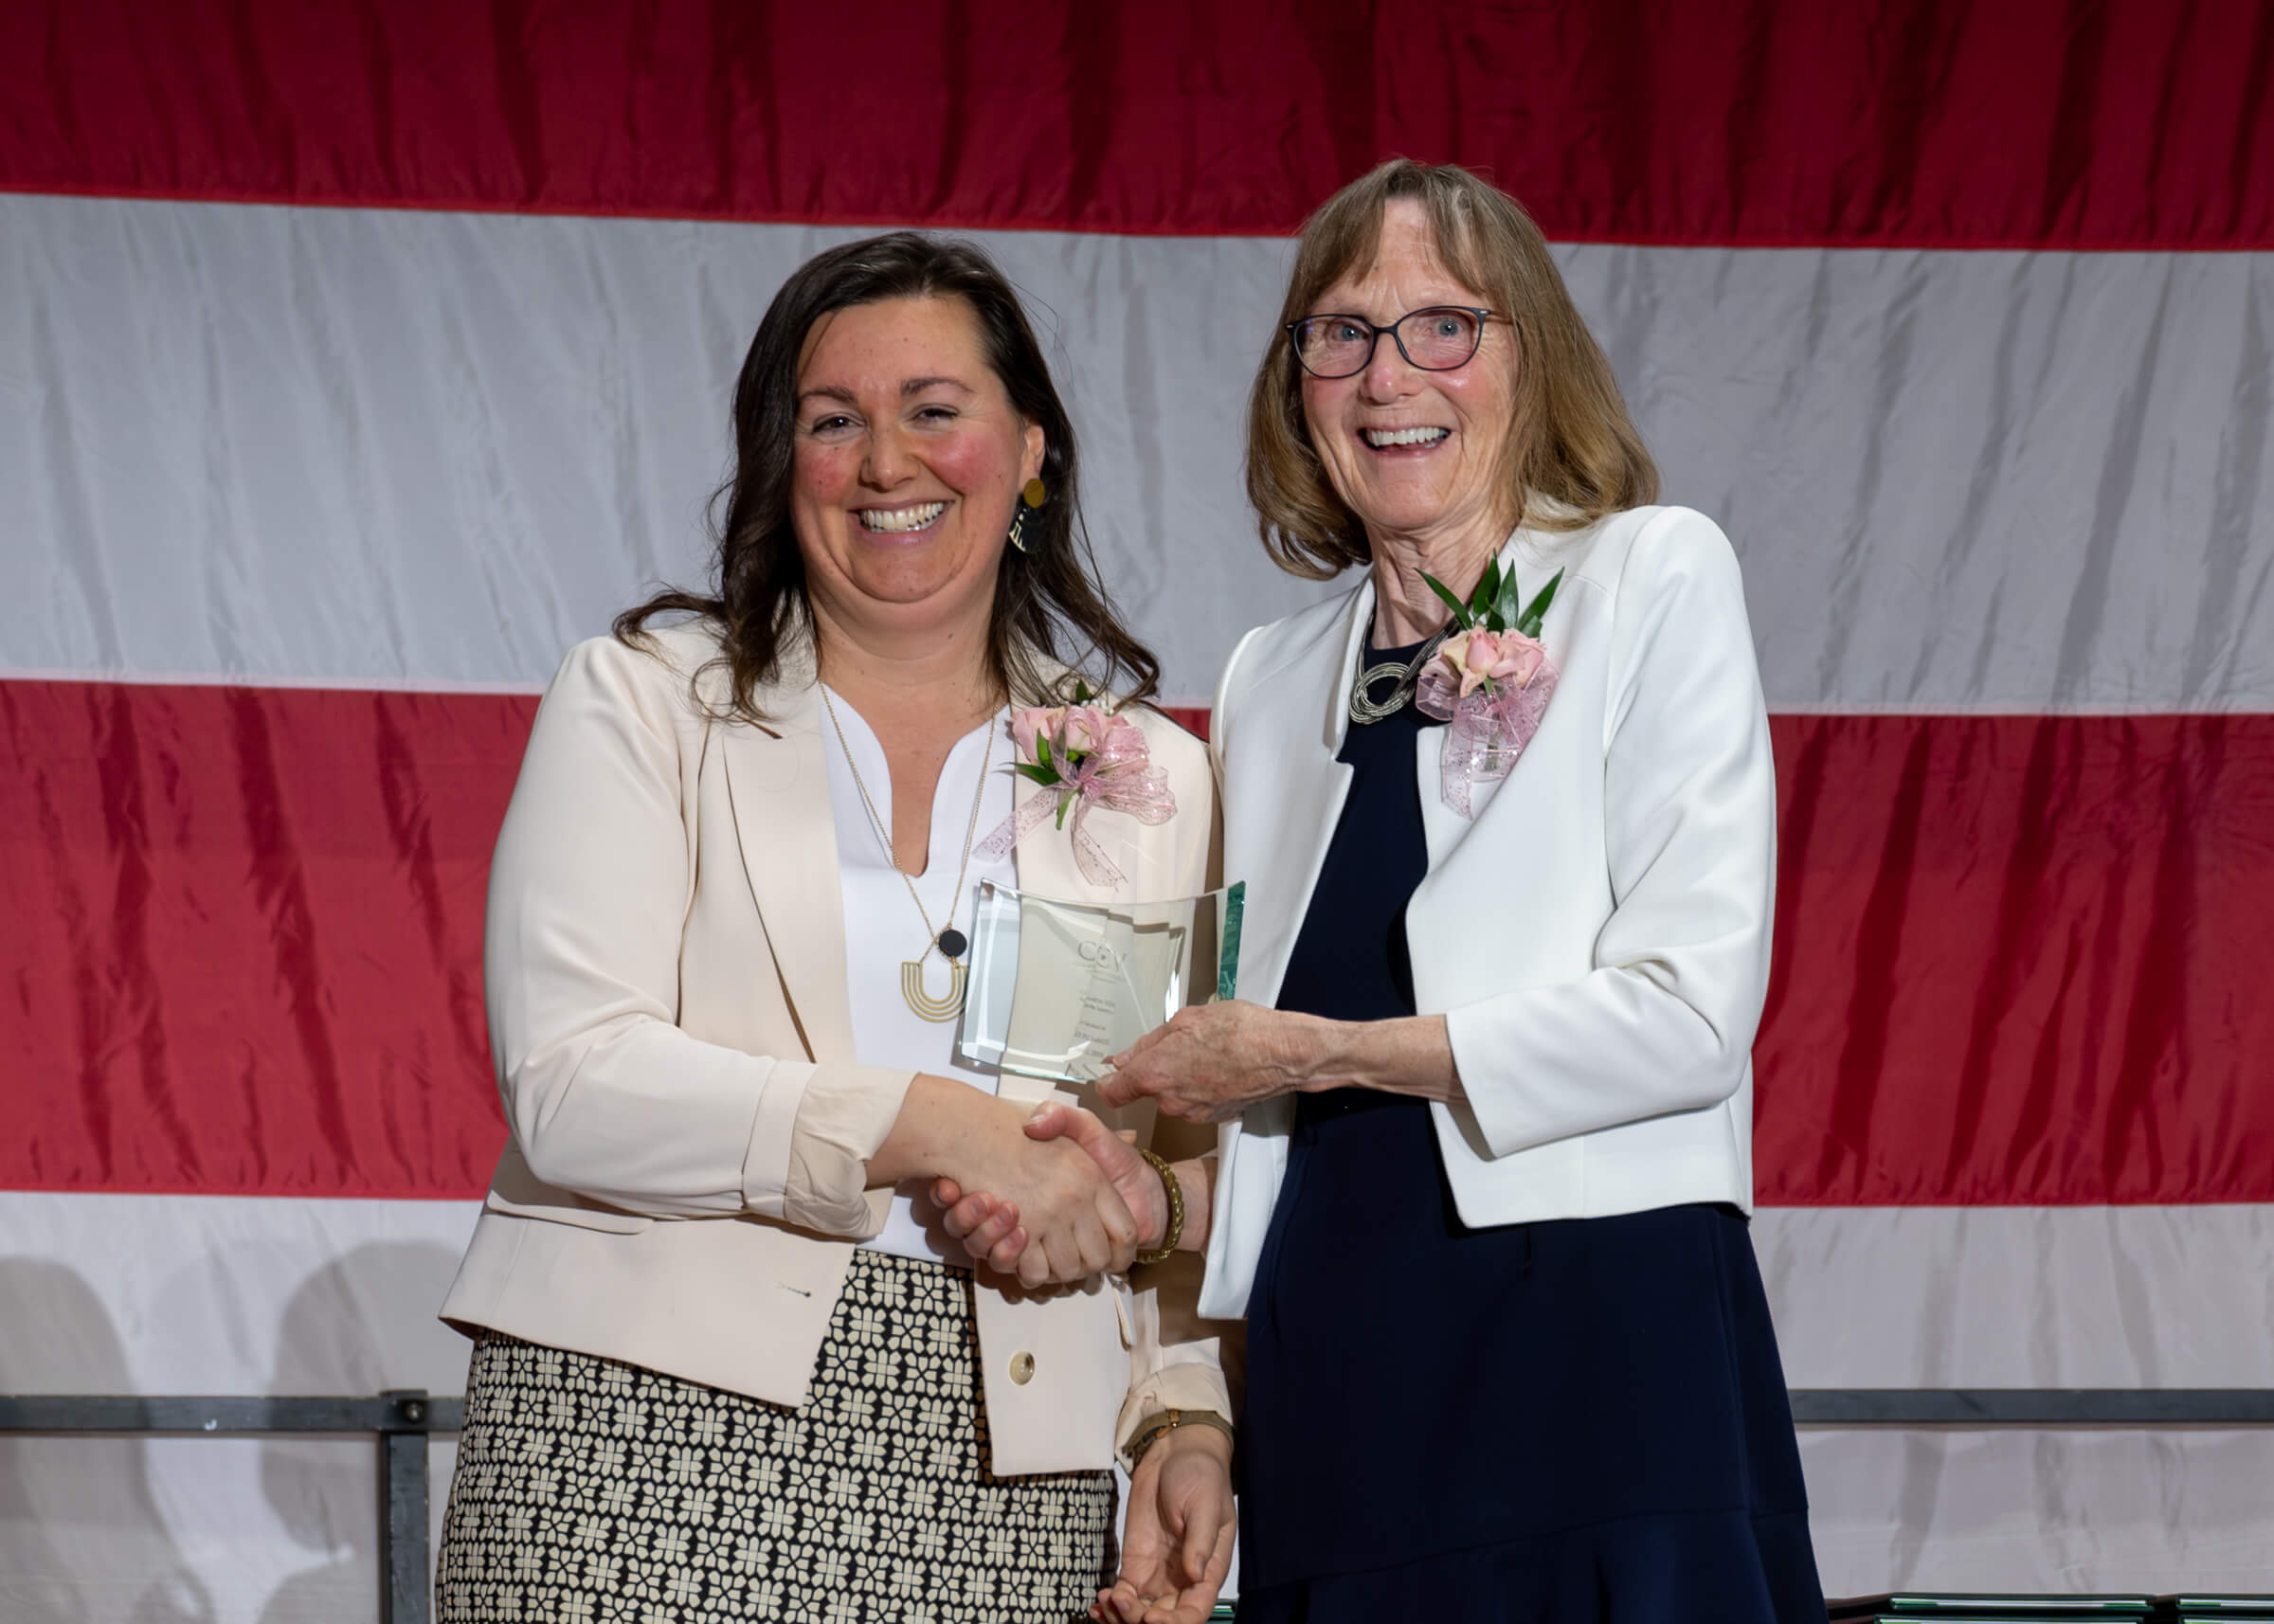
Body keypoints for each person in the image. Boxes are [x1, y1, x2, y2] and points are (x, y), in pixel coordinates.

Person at [949, 158, 1826, 1620]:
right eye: (1339, 331)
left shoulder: (1649, 576)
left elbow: (1686, 1019)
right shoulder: (1273, 676)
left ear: (1529, 356)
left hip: (1607, 1355)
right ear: (1297, 382)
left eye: (1444, 325)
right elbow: (1254, 1118)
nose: (1386, 373)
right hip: (1340, 1375)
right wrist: (1202, 1396)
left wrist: (1314, 1048)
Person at [433, 232, 1235, 1624]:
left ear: (1029, 447)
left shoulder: (1150, 772)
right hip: (634, 1446)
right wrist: (925, 1120)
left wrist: (1181, 1416)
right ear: (775, 457)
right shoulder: (645, 700)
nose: (885, 464)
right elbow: (572, 1085)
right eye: (832, 421)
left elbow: (1164, 1162)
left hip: (1007, 1482)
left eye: (934, 410)